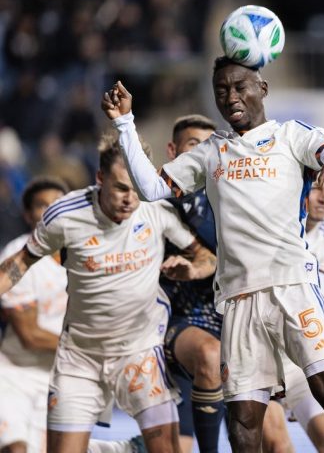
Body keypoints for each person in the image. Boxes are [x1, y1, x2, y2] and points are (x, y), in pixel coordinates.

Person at [102, 56, 324, 452]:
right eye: (221, 90)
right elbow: (151, 188)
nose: (231, 96)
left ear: (262, 89)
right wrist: (125, 123)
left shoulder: (289, 134)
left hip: (292, 288)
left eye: (239, 86)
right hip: (238, 300)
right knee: (243, 424)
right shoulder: (211, 151)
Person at [0, 137, 217, 453]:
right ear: (100, 178)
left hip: (140, 351)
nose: (130, 199)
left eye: (136, 189)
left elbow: (206, 257)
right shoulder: (65, 214)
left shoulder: (156, 208)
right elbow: (19, 263)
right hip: (80, 357)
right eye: (120, 188)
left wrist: (194, 269)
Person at [264, 179, 324, 453]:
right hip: (261, 346)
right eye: (317, 188)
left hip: (299, 352)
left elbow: (310, 297)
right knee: (277, 446)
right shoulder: (269, 224)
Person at [159, 114, 223, 453]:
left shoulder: (229, 202)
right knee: (178, 446)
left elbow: (222, 256)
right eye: (193, 145)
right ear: (173, 151)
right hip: (175, 327)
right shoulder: (155, 202)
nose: (201, 155)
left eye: (208, 148)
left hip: (231, 328)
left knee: (275, 439)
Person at [0, 177, 69, 453]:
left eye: (58, 204)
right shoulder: (16, 257)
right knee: (16, 448)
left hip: (60, 379)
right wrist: (91, 346)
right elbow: (29, 336)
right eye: (42, 205)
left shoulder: (87, 253)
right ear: (28, 215)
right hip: (15, 374)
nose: (51, 211)